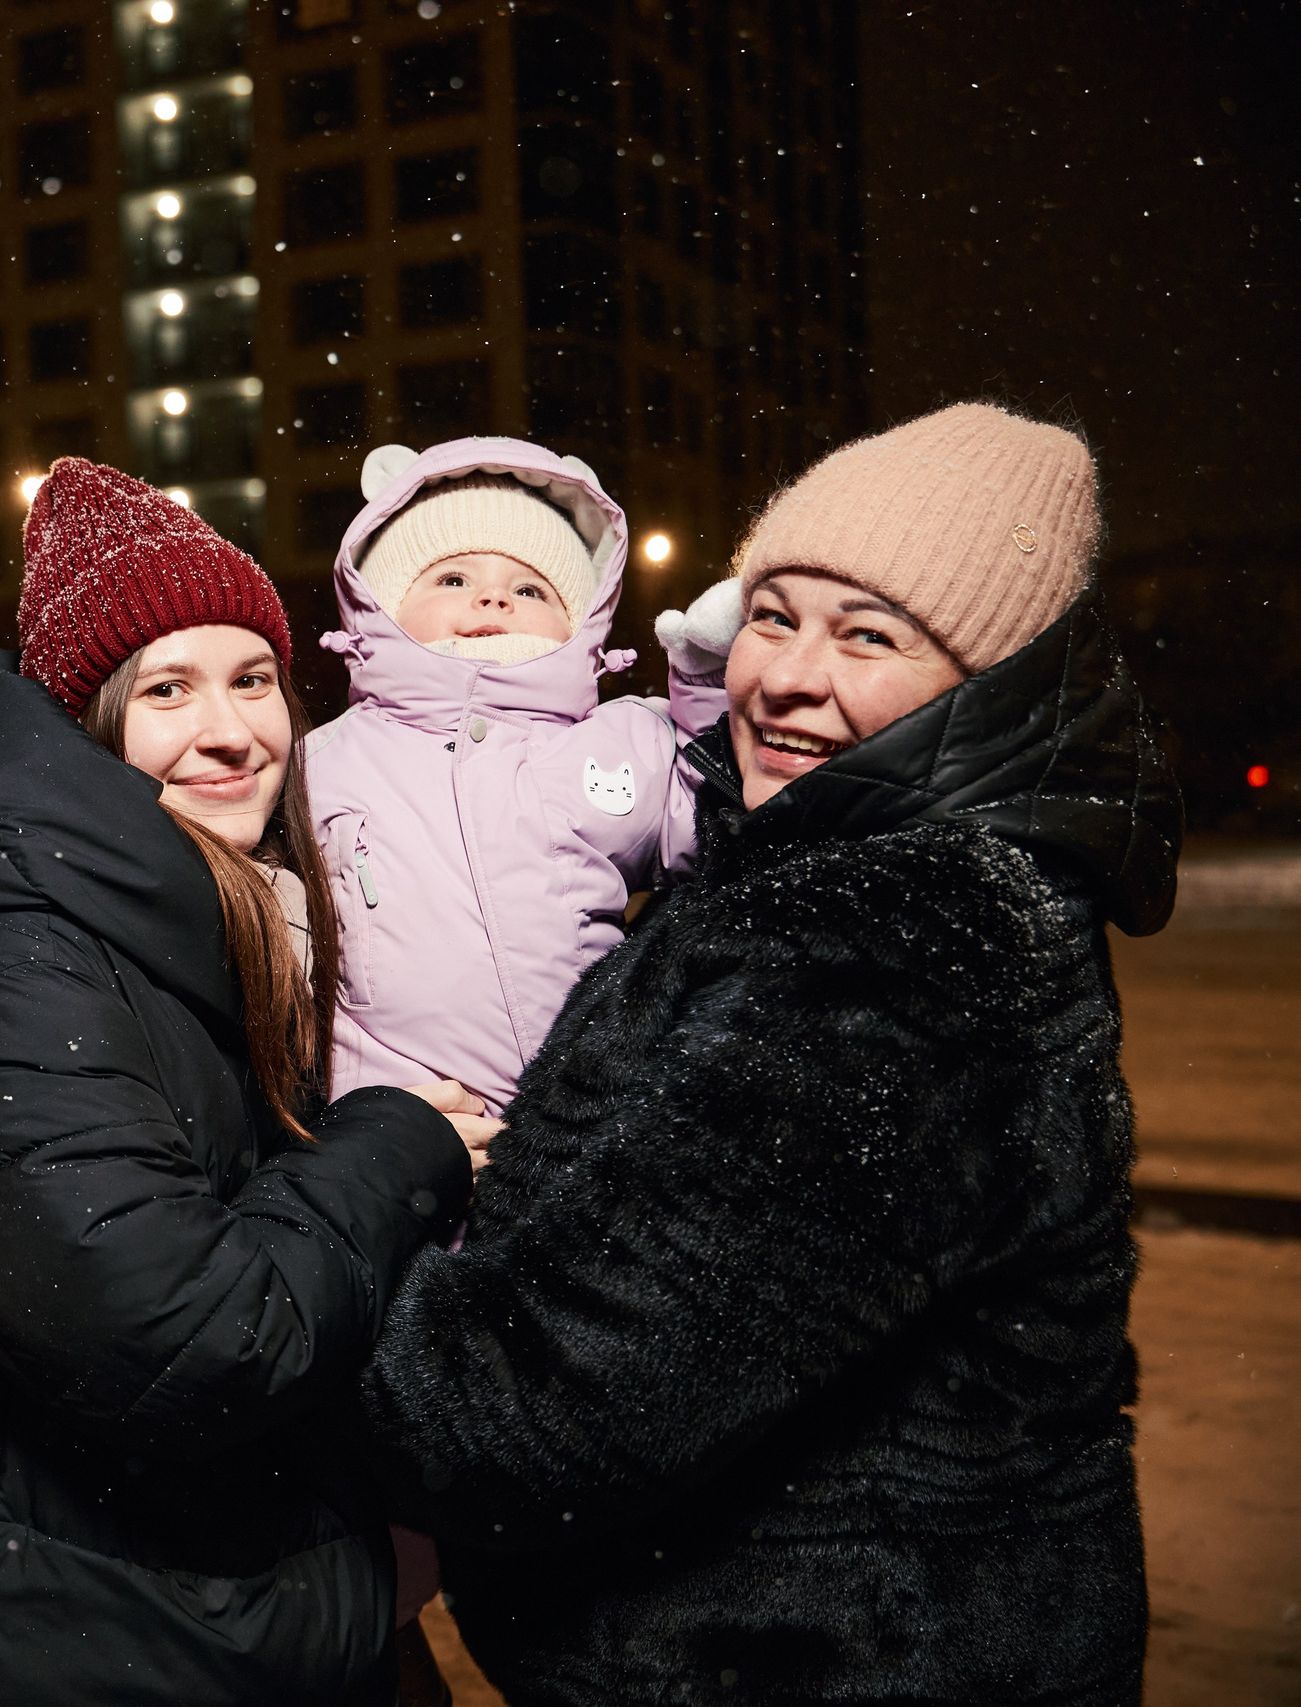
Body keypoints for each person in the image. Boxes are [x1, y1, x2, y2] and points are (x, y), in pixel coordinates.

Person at [360, 402, 1181, 1707]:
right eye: (777, 614)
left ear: (995, 677)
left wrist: (272, 1261)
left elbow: (534, 1409)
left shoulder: (900, 939)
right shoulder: (839, 860)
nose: (788, 673)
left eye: (869, 635)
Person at [0, 458, 480, 1706]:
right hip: (13, 1647)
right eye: (168, 689)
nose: (231, 730)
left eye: (254, 679)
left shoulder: (221, 928)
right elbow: (187, 1339)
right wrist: (396, 1143)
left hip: (153, 1622)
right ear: (89, 730)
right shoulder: (12, 960)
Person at [309, 438, 743, 1112]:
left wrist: (712, 683)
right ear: (382, 604)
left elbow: (712, 820)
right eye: (453, 579)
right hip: (402, 1129)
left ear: (581, 618)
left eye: (530, 587)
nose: (493, 599)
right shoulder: (324, 761)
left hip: (587, 1120)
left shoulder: (614, 742)